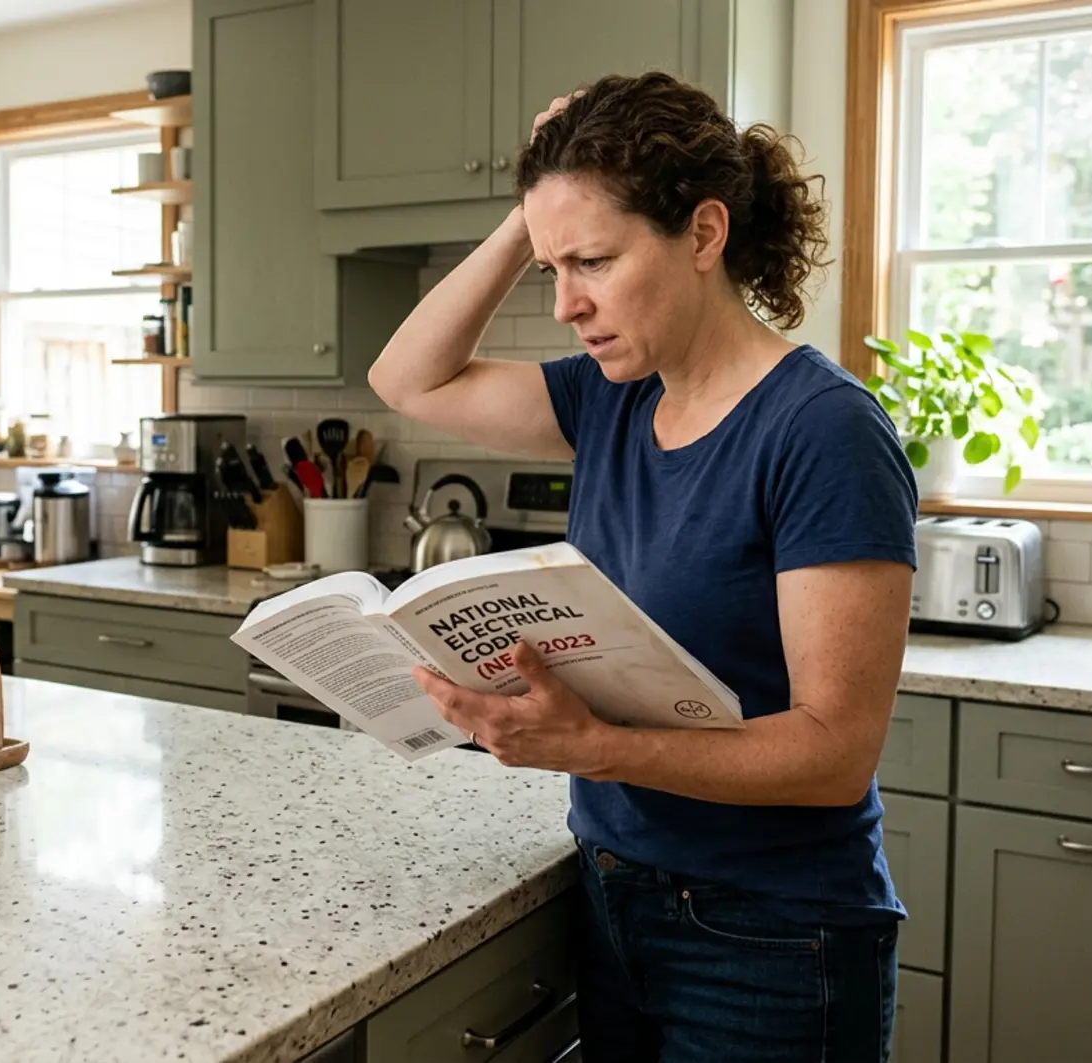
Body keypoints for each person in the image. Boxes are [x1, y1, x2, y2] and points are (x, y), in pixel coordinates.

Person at [367, 71, 918, 1062]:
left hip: (774, 936)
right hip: (615, 894)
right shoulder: (615, 397)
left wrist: (589, 746)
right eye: (552, 269)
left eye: (595, 260)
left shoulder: (823, 431)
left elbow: (836, 755)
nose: (568, 304)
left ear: (704, 234)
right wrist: (535, 207)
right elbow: (408, 378)